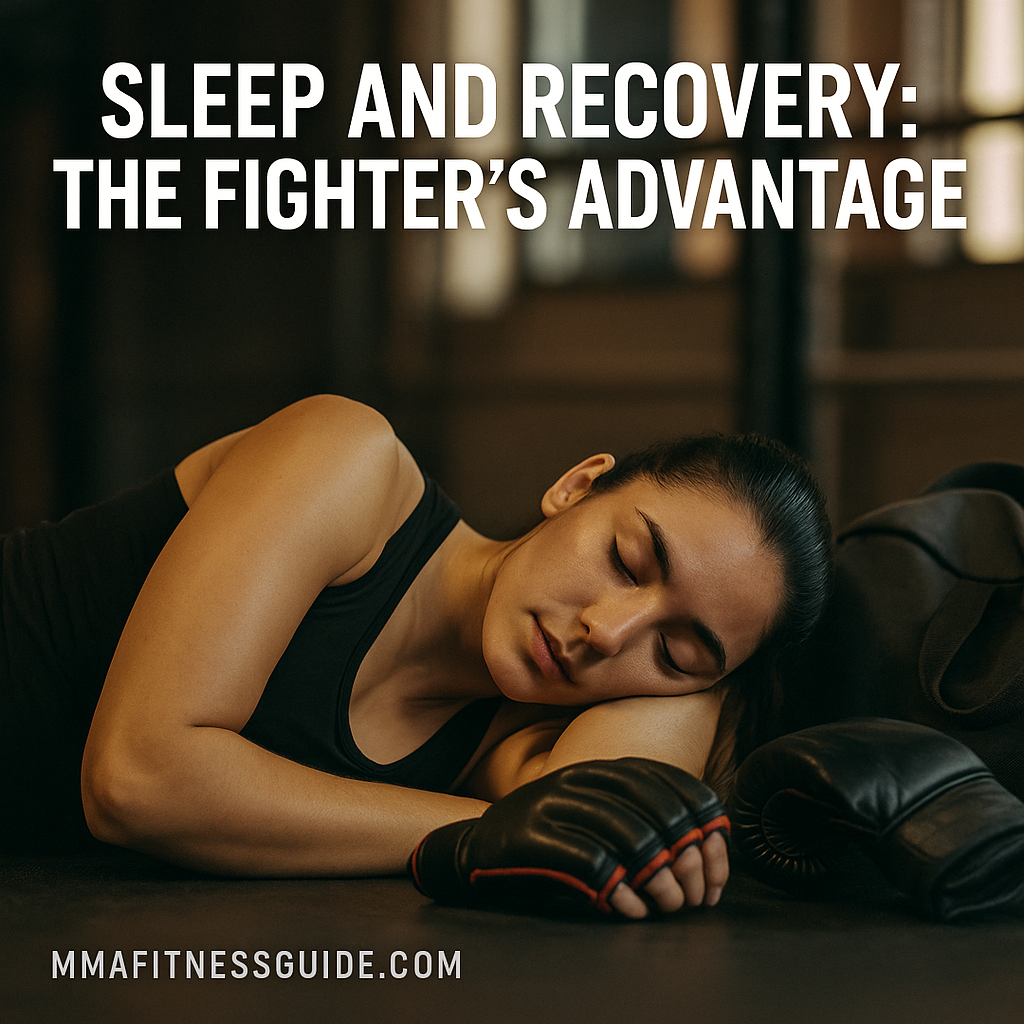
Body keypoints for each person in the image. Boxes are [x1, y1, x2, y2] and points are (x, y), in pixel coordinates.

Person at [0, 394, 831, 919]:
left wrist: (702, 676)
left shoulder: (510, 748)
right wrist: (499, 830)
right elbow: (139, 780)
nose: (607, 633)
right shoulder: (349, 463)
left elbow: (603, 831)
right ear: (576, 487)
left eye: (675, 649)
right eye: (626, 561)